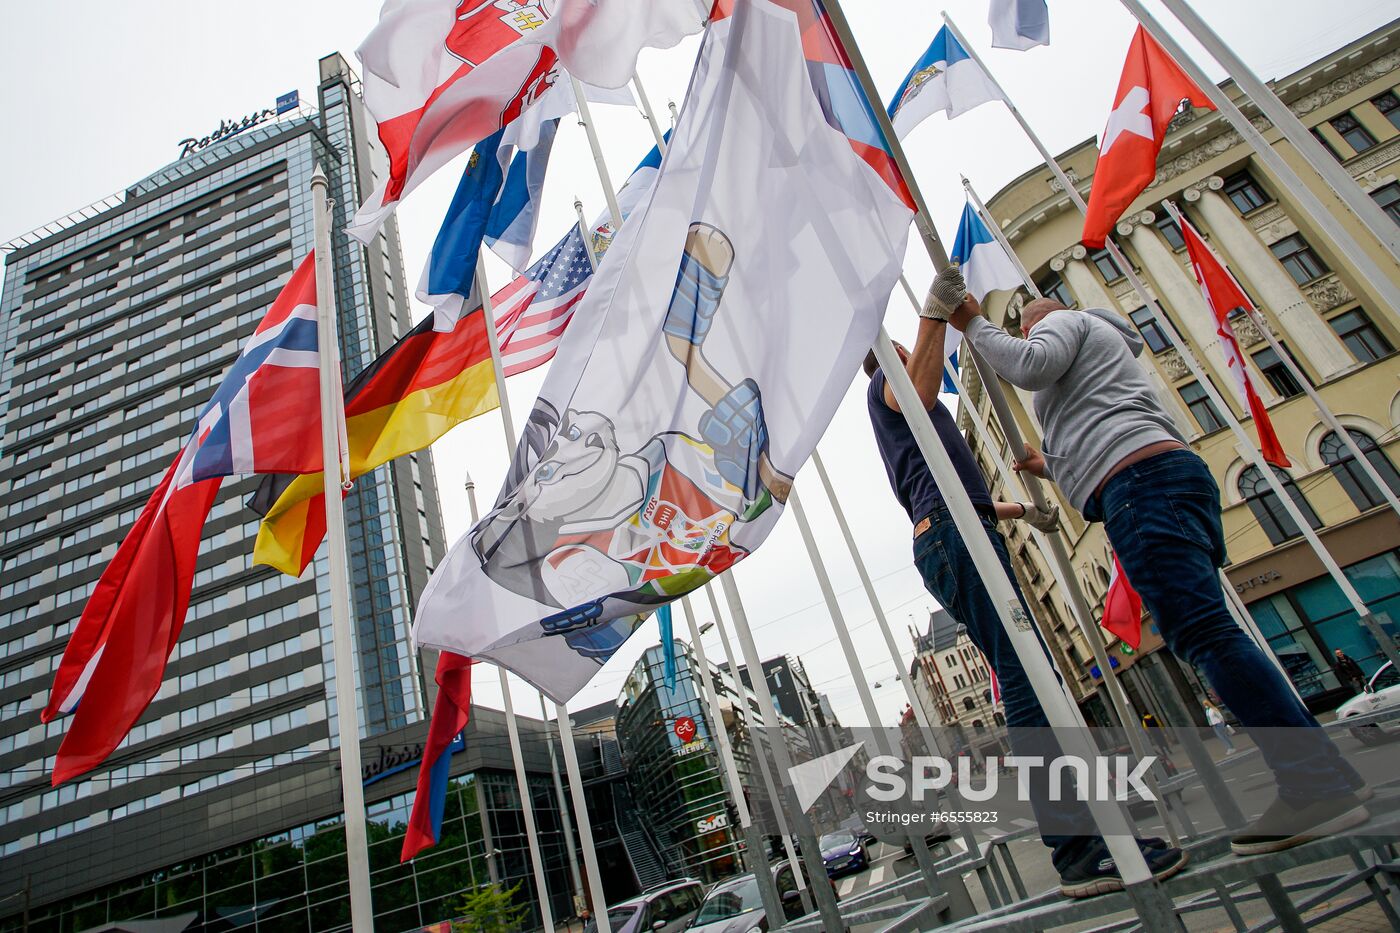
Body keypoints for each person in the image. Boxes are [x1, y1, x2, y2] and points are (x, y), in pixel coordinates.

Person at [950, 287, 1369, 856]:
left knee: (1204, 633)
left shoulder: (1061, 325)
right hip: (1159, 479)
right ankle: (1320, 777)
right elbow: (1099, 423)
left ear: (1043, 319)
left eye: (1028, 328)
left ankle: (1317, 783)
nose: (1028, 337)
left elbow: (1030, 366)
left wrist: (971, 321)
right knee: (1209, 629)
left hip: (1141, 488)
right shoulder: (1103, 347)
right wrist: (1046, 467)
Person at [865, 268, 1187, 898]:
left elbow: (962, 490)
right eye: (905, 349)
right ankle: (1077, 848)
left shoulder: (910, 402)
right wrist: (933, 315)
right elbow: (920, 393)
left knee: (1032, 674)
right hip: (952, 535)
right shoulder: (890, 386)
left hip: (960, 526)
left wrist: (1023, 512)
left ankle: (1089, 834)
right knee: (1024, 678)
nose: (912, 351)